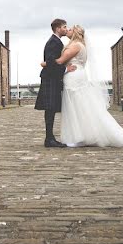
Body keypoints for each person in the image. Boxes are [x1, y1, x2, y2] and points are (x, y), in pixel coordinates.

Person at [42, 25, 123, 148]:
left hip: (74, 77)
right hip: (76, 76)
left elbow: (60, 61)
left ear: (75, 33)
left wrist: (44, 63)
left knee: (76, 106)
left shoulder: (76, 45)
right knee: (79, 106)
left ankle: (80, 136)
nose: (67, 31)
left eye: (70, 29)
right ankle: (81, 135)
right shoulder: (80, 45)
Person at [35, 18, 75, 147]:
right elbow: (51, 61)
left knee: (51, 109)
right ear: (58, 28)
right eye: (64, 27)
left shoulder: (56, 41)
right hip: (50, 78)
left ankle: (50, 138)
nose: (65, 29)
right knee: (50, 108)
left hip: (51, 78)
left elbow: (48, 62)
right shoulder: (54, 42)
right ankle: (49, 139)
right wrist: (65, 69)